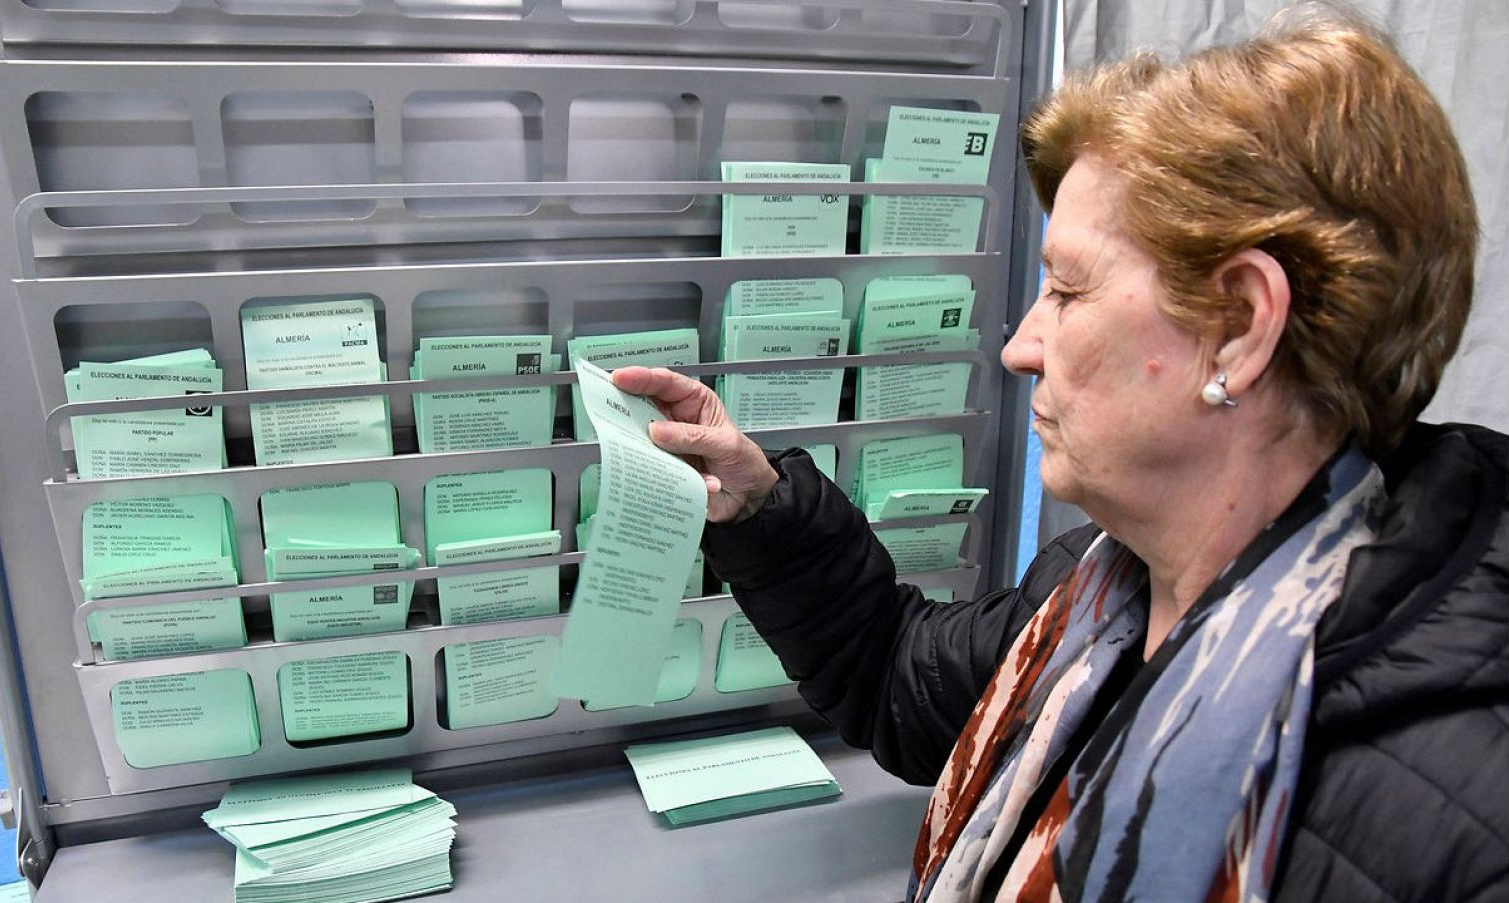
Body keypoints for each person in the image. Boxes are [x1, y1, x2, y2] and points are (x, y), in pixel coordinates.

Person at [612, 5, 1509, 901]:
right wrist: (763, 504)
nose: (1019, 345)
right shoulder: (1102, 586)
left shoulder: (1452, 810)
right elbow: (896, 677)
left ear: (1238, 327)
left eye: (1068, 289)